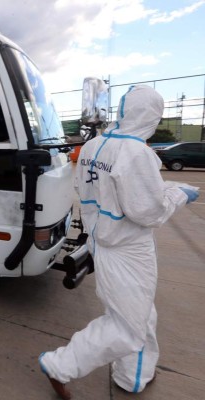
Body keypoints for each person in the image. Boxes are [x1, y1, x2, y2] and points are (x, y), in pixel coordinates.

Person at [39, 85, 200, 400]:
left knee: (139, 314)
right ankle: (59, 364)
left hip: (104, 242)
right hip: (128, 249)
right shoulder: (137, 152)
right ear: (151, 115)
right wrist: (178, 193)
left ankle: (133, 376)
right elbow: (148, 212)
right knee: (127, 326)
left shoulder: (92, 146)